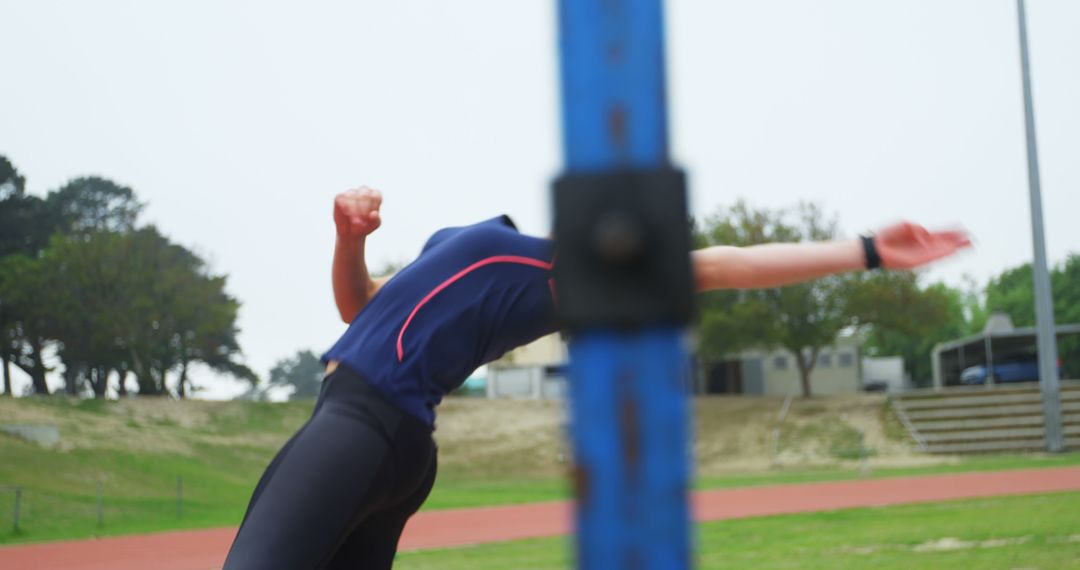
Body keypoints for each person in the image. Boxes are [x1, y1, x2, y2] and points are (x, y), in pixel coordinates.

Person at [223, 186, 971, 569]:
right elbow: (361, 305)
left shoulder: (562, 272)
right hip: (392, 442)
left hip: (363, 423)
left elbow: (722, 263)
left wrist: (868, 250)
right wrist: (347, 238)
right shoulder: (481, 253)